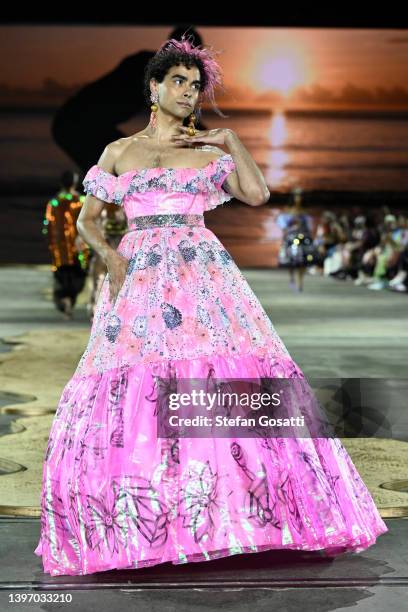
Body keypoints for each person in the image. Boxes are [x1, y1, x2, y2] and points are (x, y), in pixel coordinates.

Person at [34, 35, 387, 577]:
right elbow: (86, 218)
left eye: (196, 86)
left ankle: (239, 516)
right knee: (132, 381)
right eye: (178, 82)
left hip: (200, 272)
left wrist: (229, 140)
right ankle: (145, 519)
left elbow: (257, 195)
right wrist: (109, 255)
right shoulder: (118, 152)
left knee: (218, 372)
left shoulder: (206, 150)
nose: (189, 93)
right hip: (141, 274)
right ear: (153, 87)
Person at [43, 169, 90, 319]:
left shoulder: (54, 202)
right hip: (79, 248)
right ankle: (70, 300)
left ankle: (65, 301)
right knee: (78, 277)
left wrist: (51, 245)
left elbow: (48, 226)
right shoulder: (82, 202)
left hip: (60, 250)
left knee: (62, 278)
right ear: (76, 183)